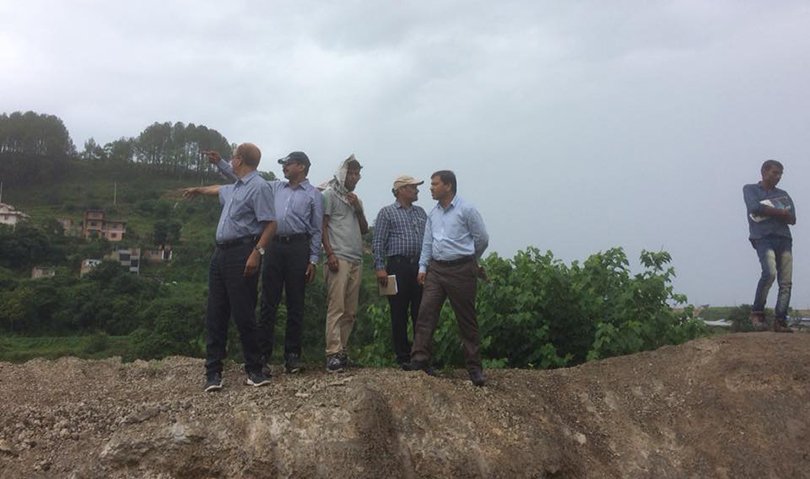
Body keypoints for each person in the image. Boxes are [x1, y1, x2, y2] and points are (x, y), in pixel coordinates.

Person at [213, 151, 323, 374]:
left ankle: (292, 356)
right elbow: (243, 179)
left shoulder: (313, 194)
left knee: (295, 302)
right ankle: (262, 355)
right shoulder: (273, 187)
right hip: (273, 245)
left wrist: (313, 259)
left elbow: (316, 228)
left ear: (301, 167)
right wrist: (221, 163)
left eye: (288, 164)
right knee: (268, 302)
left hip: (298, 248)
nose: (284, 167)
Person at [182, 143, 277, 392]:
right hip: (220, 254)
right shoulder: (235, 188)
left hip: (243, 252)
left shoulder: (259, 187)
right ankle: (213, 373)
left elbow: (270, 224)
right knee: (216, 312)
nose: (231, 160)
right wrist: (199, 190)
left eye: (233, 157)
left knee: (244, 312)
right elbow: (217, 189)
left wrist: (257, 253)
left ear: (240, 161)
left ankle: (255, 370)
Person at [403, 170, 489, 386]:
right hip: (436, 270)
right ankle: (420, 359)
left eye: (435, 184)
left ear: (448, 186)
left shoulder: (466, 209)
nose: (431, 188)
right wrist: (423, 267)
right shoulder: (433, 214)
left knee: (466, 319)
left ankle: (474, 368)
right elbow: (428, 244)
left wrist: (470, 259)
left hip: (461, 269)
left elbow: (482, 239)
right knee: (425, 313)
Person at [372, 175, 427, 367]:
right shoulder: (387, 213)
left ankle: (421, 356)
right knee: (399, 312)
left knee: (420, 311)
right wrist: (380, 267)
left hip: (419, 266)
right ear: (401, 190)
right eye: (413, 187)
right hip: (397, 265)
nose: (417, 190)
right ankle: (403, 356)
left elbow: (428, 240)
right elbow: (378, 241)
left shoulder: (421, 213)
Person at [321, 154, 368, 372]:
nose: (356, 177)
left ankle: (342, 350)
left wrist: (357, 207)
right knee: (337, 306)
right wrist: (329, 254)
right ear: (343, 173)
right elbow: (322, 225)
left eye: (358, 173)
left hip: (356, 257)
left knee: (350, 310)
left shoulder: (355, 199)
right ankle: (332, 352)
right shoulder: (329, 194)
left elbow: (364, 229)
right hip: (338, 256)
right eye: (352, 172)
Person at [743, 159, 796, 332]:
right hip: (763, 237)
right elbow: (754, 207)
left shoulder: (783, 193)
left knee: (786, 282)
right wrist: (780, 212)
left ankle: (780, 320)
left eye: (780, 174)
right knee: (769, 273)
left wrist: (770, 210)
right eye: (775, 172)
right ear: (764, 172)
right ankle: (757, 313)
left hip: (784, 238)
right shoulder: (750, 189)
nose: (778, 176)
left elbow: (793, 219)